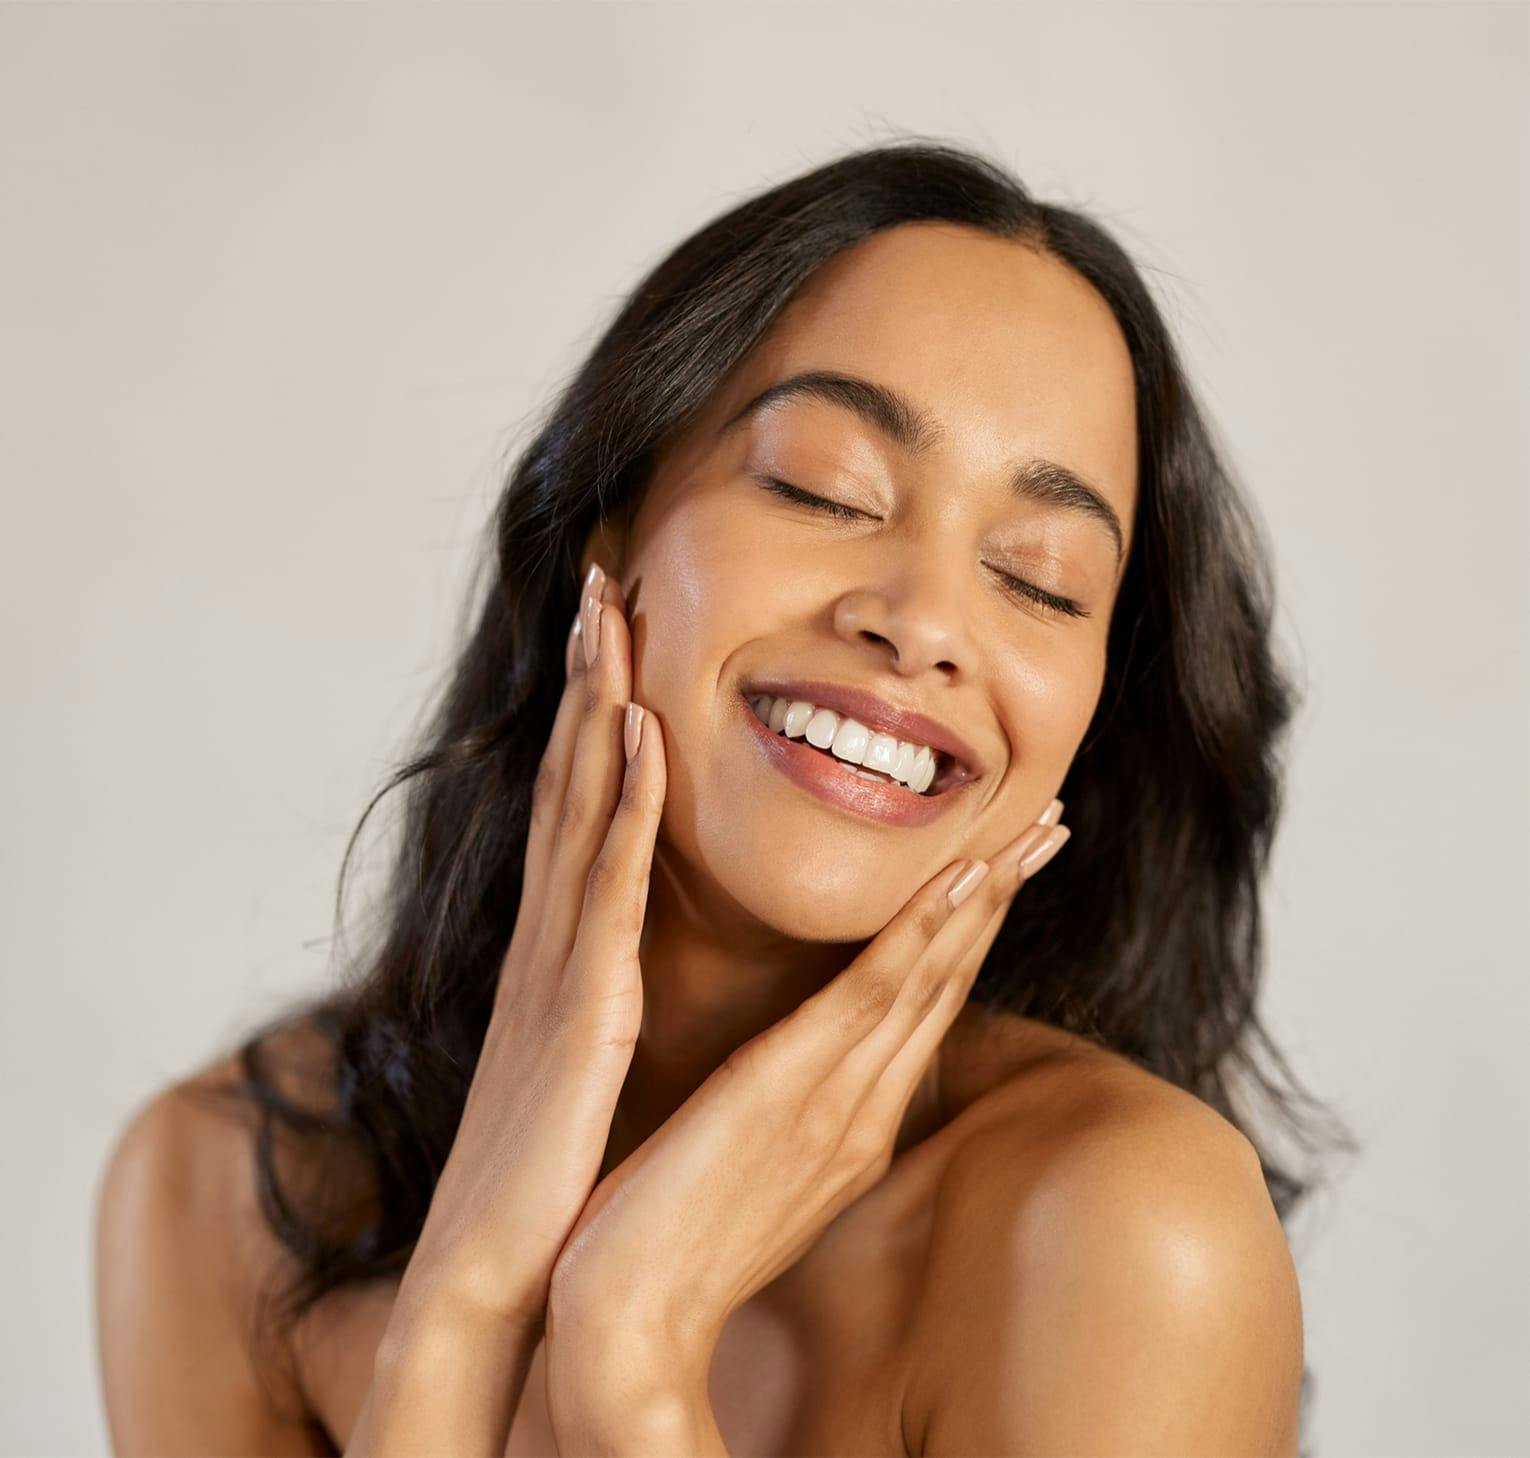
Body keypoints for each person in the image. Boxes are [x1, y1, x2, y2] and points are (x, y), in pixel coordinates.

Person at [95, 139, 1350, 1456]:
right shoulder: (225, 1180)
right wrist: (459, 1315)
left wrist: (631, 1349)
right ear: (610, 531)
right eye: (822, 487)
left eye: (1037, 578)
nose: (922, 622)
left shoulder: (1121, 1230)